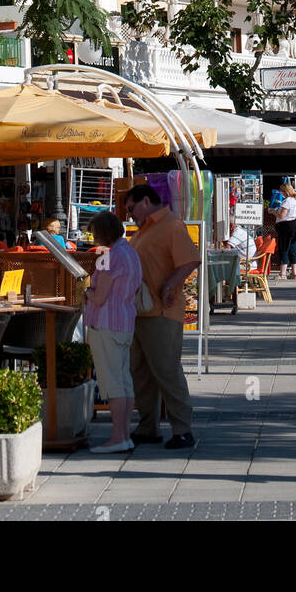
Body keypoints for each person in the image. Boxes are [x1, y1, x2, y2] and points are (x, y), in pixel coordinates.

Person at [127, 183, 201, 450]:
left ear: (146, 201)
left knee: (167, 371)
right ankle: (148, 427)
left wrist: (170, 284)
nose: (130, 214)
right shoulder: (144, 230)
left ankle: (183, 429)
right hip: (141, 311)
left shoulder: (171, 225)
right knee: (141, 371)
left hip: (161, 311)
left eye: (131, 208)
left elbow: (191, 260)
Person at [84, 211, 142, 454]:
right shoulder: (130, 252)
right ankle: (125, 435)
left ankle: (117, 436)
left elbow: (98, 297)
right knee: (124, 381)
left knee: (112, 384)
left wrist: (86, 293)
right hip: (125, 322)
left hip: (107, 323)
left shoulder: (110, 257)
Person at [274, 182, 296, 280]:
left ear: (285, 191)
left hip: (286, 227)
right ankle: (294, 273)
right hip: (295, 226)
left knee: (284, 249)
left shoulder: (287, 201)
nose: (280, 192)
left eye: (281, 191)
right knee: (293, 249)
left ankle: (283, 274)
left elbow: (282, 215)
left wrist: (273, 211)